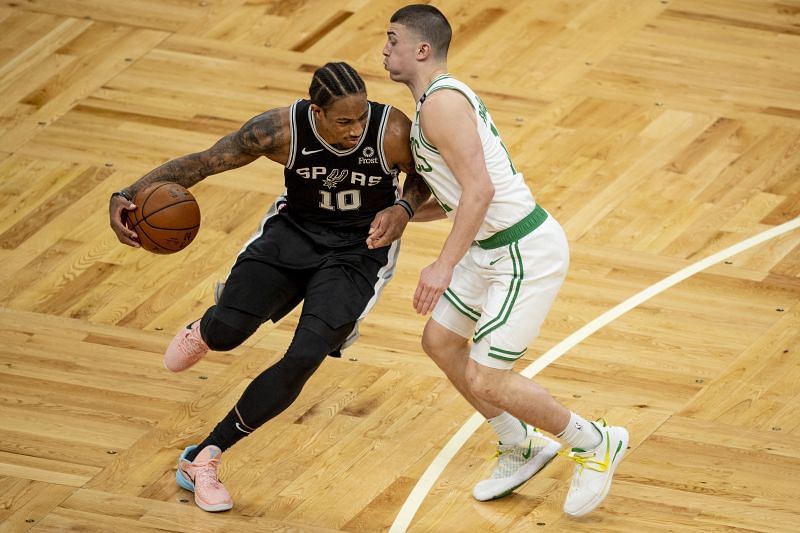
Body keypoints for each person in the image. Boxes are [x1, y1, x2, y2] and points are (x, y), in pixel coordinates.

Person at [109, 62, 430, 513]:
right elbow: (203, 162)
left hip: (359, 251)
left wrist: (403, 208)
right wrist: (125, 193)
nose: (356, 129)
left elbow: (426, 175)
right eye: (344, 121)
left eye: (361, 117)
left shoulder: (391, 130)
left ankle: (204, 457)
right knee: (228, 334)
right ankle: (207, 328)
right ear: (316, 112)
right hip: (292, 236)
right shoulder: (278, 130)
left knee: (303, 357)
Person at [383, 5, 629, 517]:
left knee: (489, 377)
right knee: (441, 341)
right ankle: (518, 443)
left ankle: (594, 442)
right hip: (488, 247)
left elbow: (480, 190)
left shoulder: (441, 105)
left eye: (392, 40)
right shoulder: (436, 100)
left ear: (421, 50)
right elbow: (456, 194)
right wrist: (406, 212)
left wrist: (441, 266)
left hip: (521, 250)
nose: (385, 50)